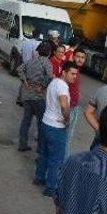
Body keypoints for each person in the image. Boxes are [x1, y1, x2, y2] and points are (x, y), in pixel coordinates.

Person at [34, 61, 79, 197]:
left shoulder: (54, 82)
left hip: (46, 123)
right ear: (63, 72)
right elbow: (64, 105)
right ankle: (51, 188)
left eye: (76, 74)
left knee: (44, 153)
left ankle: (39, 177)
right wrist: (67, 120)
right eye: (72, 73)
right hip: (56, 127)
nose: (74, 77)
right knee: (56, 159)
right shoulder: (62, 86)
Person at [17, 41, 54, 151]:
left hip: (27, 95)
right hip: (39, 96)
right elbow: (50, 76)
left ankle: (22, 144)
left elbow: (19, 69)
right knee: (41, 124)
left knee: (26, 121)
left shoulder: (31, 61)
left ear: (38, 51)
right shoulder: (47, 63)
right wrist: (43, 86)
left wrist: (24, 81)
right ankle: (40, 149)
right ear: (49, 53)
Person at [65, 47, 86, 155]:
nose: (80, 59)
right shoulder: (70, 70)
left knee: (67, 137)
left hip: (74, 107)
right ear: (73, 57)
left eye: (82, 57)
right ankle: (61, 164)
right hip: (68, 108)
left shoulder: (77, 71)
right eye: (77, 56)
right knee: (65, 137)